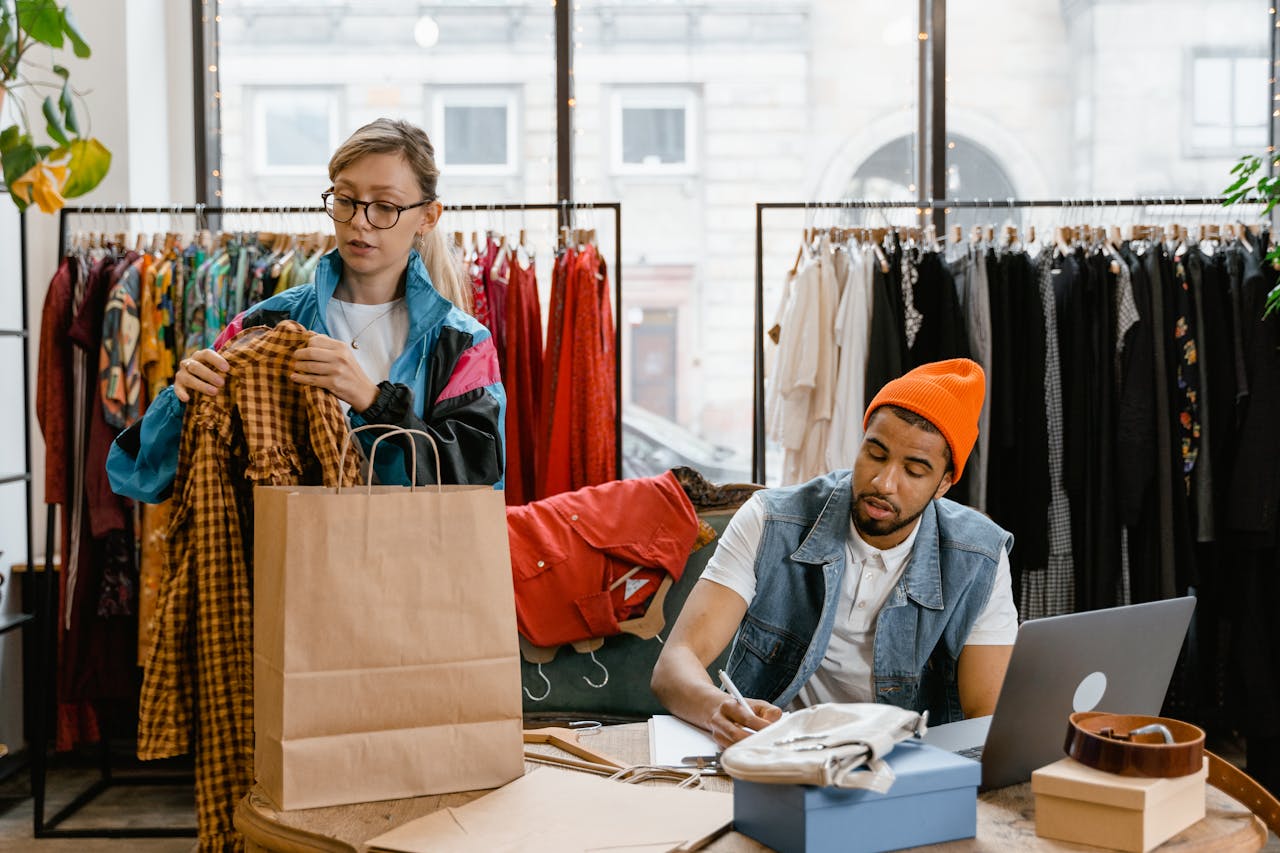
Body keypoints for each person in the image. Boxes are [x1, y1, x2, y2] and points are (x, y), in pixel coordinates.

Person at [107, 118, 505, 499]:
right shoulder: (263, 326)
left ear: (427, 217)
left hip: (412, 564)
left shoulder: (463, 343)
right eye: (346, 200)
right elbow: (138, 477)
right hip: (287, 562)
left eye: (385, 206)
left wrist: (373, 401)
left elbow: (476, 484)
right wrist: (180, 405)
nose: (359, 221)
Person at [651, 358, 1018, 748]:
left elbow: (986, 717)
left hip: (907, 769)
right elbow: (674, 663)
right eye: (875, 454)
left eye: (914, 470)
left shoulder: (981, 557)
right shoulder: (770, 520)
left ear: (944, 483)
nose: (884, 482)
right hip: (777, 759)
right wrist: (716, 710)